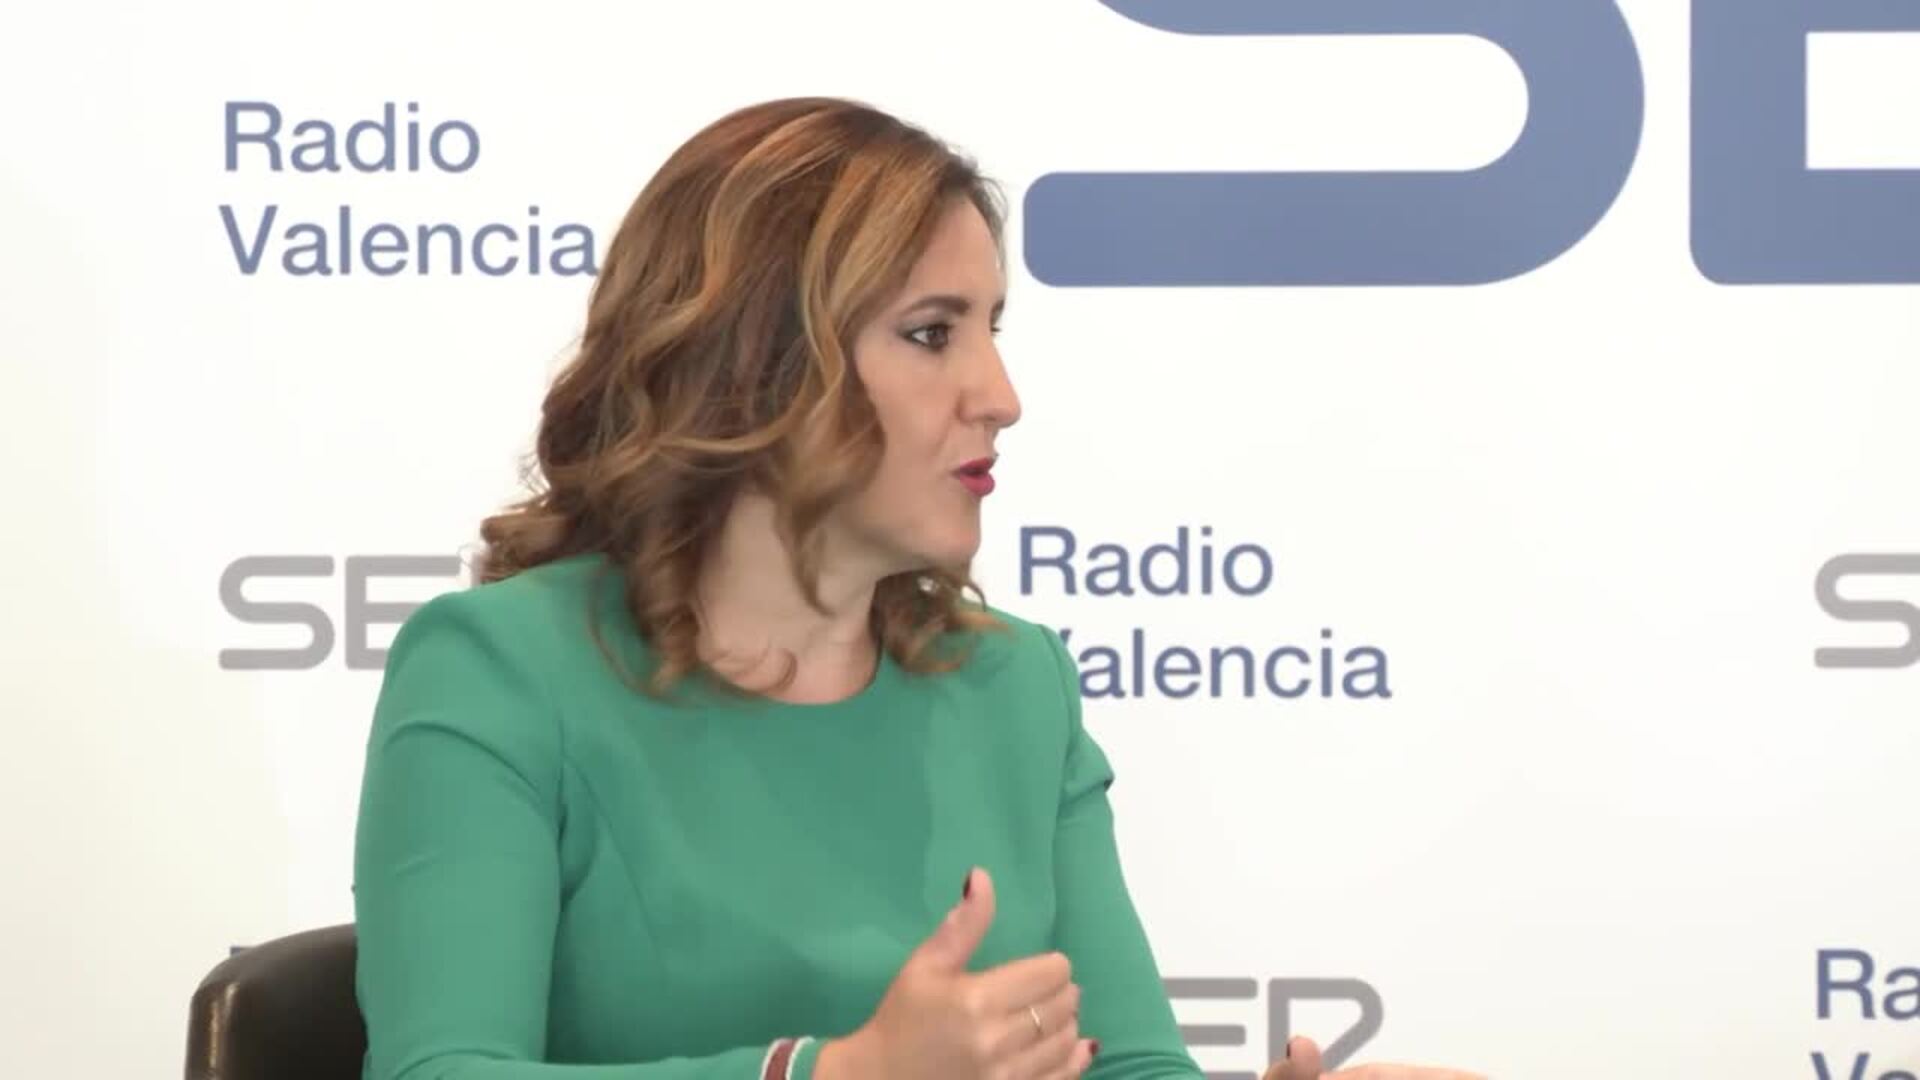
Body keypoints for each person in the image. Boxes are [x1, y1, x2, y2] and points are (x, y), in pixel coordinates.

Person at [351, 96, 1483, 1080]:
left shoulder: (1015, 685)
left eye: (991, 329)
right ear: (752, 362)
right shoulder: (503, 670)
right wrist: (829, 1073)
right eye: (933, 333)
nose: (1000, 395)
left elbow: (1126, 1066)